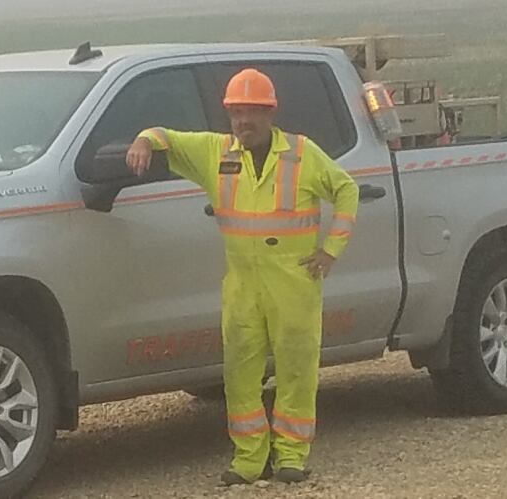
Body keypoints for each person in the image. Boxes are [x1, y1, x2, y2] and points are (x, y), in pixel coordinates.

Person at [126, 68, 359, 485]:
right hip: (242, 283)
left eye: (252, 112)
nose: (243, 121)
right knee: (240, 373)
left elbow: (346, 190)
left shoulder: (302, 154)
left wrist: (331, 251)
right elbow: (165, 135)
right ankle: (249, 461)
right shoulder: (217, 153)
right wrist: (144, 140)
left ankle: (291, 457)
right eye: (236, 112)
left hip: (293, 280)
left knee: (296, 370)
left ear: (270, 113)